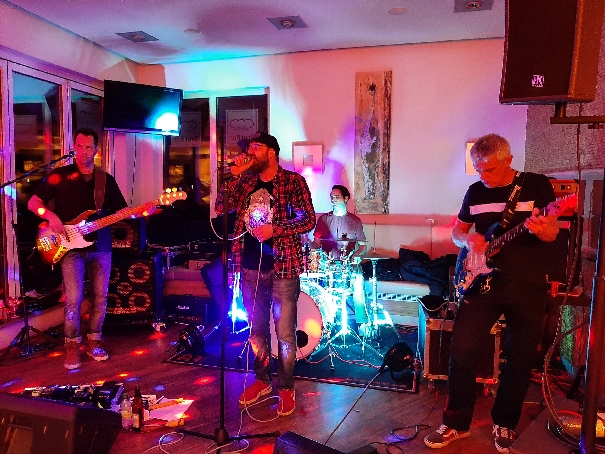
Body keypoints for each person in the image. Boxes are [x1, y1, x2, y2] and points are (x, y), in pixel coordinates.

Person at [424, 133, 559, 453]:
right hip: (482, 283)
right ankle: (456, 422)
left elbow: (552, 230)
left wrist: (544, 230)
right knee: (462, 350)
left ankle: (505, 422)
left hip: (527, 284)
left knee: (520, 357)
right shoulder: (475, 191)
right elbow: (458, 231)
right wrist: (467, 240)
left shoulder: (536, 185)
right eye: (478, 169)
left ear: (508, 160)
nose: (483, 176)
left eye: (490, 169)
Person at [215, 132, 315, 416]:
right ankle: (262, 380)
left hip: (283, 267)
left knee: (284, 333)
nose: (250, 152)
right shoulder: (245, 182)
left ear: (271, 151)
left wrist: (276, 229)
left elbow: (308, 219)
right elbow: (221, 208)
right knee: (256, 329)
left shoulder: (293, 181)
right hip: (250, 266)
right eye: (248, 148)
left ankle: (286, 388)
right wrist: (234, 176)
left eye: (255, 147)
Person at [28, 128, 128, 370]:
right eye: (79, 147)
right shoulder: (59, 176)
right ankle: (72, 344)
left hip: (101, 246)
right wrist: (50, 216)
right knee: (73, 298)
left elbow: (122, 212)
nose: (83, 152)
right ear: (74, 148)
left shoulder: (105, 180)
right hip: (68, 247)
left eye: (88, 147)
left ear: (96, 150)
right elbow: (33, 202)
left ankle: (94, 340)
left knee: (100, 297)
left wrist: (144, 211)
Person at [310, 184, 367, 262]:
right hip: (327, 264)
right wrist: (309, 244)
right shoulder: (323, 219)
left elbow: (363, 246)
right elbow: (317, 243)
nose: (333, 200)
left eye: (336, 197)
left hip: (347, 264)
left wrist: (357, 256)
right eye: (332, 197)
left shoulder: (356, 221)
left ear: (346, 199)